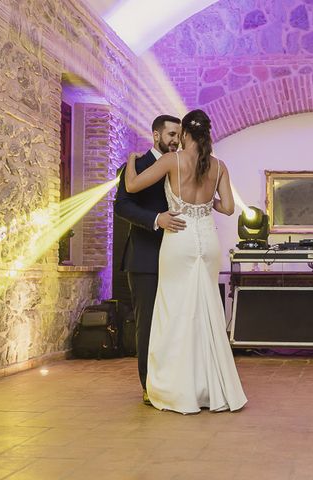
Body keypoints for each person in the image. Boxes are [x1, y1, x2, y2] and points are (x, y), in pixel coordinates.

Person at [124, 109, 247, 414]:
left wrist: (129, 161)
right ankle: (211, 387)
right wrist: (206, 203)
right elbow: (229, 208)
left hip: (179, 238)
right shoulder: (218, 166)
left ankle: (178, 387)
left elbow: (131, 187)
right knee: (207, 311)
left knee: (174, 311)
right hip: (207, 241)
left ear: (186, 135)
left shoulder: (172, 160)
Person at [114, 115, 187, 406]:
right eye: (170, 134)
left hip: (178, 256)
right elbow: (122, 205)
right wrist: (156, 219)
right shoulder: (136, 167)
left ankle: (172, 380)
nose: (175, 140)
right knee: (147, 324)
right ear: (155, 135)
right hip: (145, 258)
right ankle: (149, 386)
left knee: (173, 323)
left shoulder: (181, 166)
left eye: (179, 135)